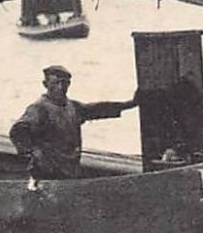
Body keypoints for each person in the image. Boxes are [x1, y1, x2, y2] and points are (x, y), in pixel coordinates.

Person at [9, 65, 138, 181]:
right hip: (47, 173)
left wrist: (130, 104)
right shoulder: (39, 108)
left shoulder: (73, 107)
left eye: (65, 83)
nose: (61, 88)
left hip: (69, 169)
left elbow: (97, 109)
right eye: (56, 83)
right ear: (46, 84)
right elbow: (18, 131)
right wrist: (34, 151)